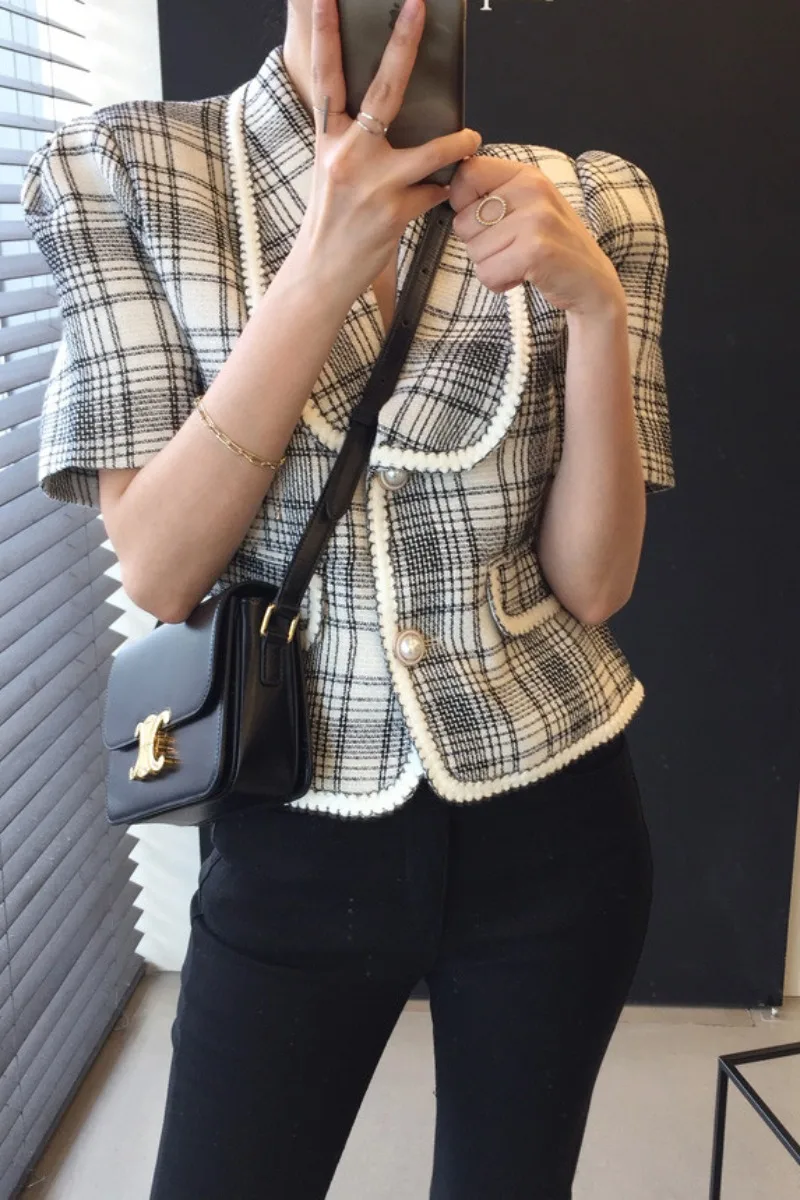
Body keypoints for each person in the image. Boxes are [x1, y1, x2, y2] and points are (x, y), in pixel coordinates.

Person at [20, 0, 675, 1194]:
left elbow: (593, 584)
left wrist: (594, 312)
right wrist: (322, 266)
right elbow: (161, 569)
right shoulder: (128, 172)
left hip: (556, 826)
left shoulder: (590, 201)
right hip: (291, 828)